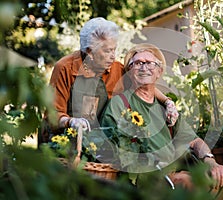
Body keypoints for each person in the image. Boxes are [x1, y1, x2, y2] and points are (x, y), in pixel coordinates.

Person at [100, 43, 223, 196]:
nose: (144, 67)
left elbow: (194, 141)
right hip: (145, 178)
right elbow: (111, 148)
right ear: (129, 73)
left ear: (159, 72)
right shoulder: (119, 104)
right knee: (187, 183)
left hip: (175, 172)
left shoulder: (166, 109)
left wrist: (211, 162)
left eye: (150, 63)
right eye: (137, 63)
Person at [39, 18, 178, 144]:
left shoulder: (117, 69)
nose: (113, 56)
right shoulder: (65, 68)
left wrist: (167, 102)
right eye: (107, 51)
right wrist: (71, 122)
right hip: (63, 141)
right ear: (89, 52)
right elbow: (53, 114)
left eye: (114, 50)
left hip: (101, 143)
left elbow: (143, 86)